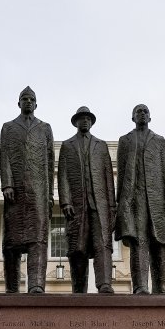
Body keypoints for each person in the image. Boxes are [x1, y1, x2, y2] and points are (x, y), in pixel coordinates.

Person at [0, 86, 54, 293]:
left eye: (31, 99)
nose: (28, 101)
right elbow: (4, 156)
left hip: (38, 192)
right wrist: (7, 184)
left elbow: (49, 162)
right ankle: (11, 288)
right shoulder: (8, 127)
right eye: (24, 98)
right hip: (15, 192)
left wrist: (49, 195)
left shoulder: (44, 128)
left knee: (38, 240)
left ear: (36, 104)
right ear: (19, 103)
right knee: (11, 242)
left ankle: (36, 285)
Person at [115, 104, 165, 294]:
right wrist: (120, 202)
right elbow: (122, 173)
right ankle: (140, 286)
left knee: (160, 244)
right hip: (135, 199)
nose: (142, 114)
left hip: (157, 199)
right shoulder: (125, 141)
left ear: (150, 117)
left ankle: (160, 287)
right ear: (132, 117)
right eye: (138, 111)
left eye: (145, 111)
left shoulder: (159, 141)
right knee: (139, 243)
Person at [57, 106, 115, 293]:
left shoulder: (101, 145)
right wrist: (65, 201)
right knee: (77, 247)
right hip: (76, 205)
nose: (85, 121)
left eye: (88, 119)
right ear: (76, 122)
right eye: (81, 118)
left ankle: (104, 283)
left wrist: (112, 207)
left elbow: (108, 178)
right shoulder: (67, 145)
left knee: (103, 244)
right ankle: (79, 288)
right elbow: (63, 175)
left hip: (100, 205)